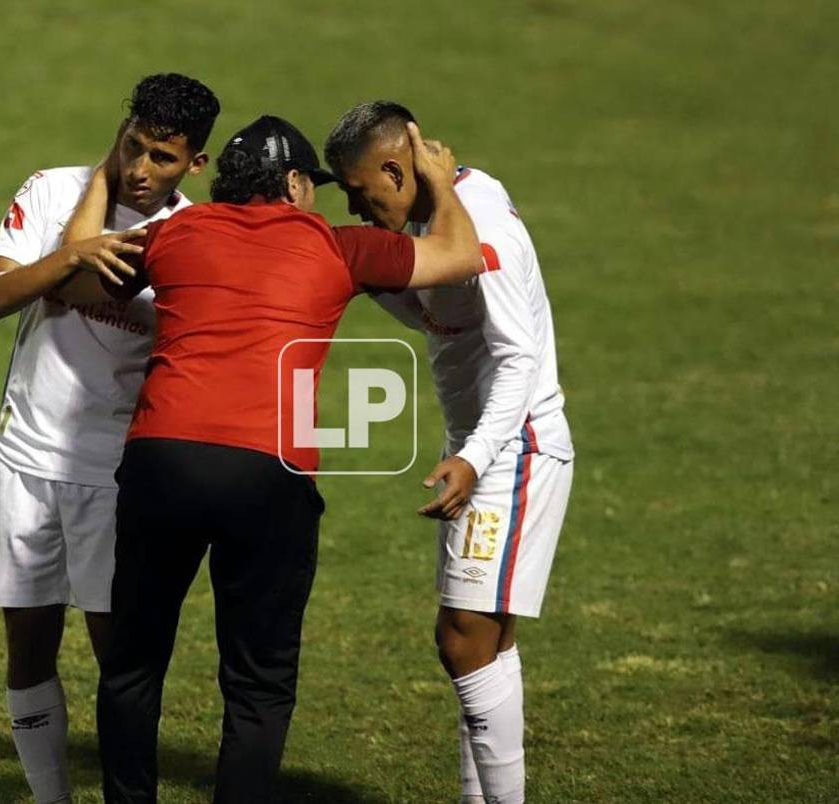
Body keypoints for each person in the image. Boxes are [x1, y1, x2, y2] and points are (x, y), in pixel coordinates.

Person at [58, 115, 482, 803]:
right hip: (266, 474)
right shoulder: (337, 246)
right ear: (292, 183)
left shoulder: (173, 233)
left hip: (162, 459)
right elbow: (460, 255)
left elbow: (80, 269)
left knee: (133, 663)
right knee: (258, 683)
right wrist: (439, 181)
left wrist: (103, 183)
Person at [0, 73, 219, 804]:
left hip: (117, 473)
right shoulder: (51, 189)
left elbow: (68, 291)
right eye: (133, 147)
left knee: (123, 660)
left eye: (163, 159)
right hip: (26, 458)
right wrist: (76, 251)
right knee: (29, 647)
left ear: (194, 164)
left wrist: (71, 265)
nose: (141, 170)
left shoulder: (192, 238)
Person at [324, 101, 575, 804]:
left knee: (462, 637)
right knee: (485, 639)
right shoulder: (445, 215)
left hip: (510, 447)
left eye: (357, 189)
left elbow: (519, 358)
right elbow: (438, 314)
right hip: (482, 443)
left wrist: (474, 458)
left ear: (396, 169)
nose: (355, 204)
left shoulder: (483, 225)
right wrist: (370, 279)